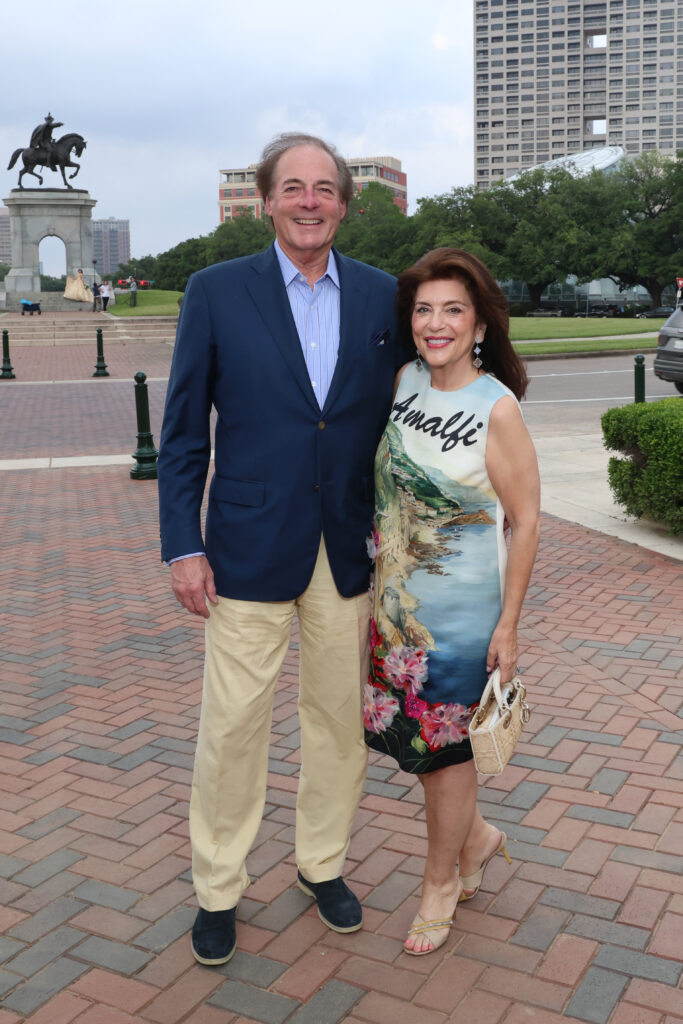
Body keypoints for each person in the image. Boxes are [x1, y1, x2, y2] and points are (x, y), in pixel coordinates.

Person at [157, 132, 401, 967]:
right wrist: (181, 545)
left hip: (346, 549)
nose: (308, 202)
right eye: (291, 187)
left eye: (323, 188)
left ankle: (320, 864)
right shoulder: (216, 292)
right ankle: (218, 889)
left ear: (342, 203)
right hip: (247, 549)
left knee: (337, 723)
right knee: (232, 728)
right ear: (265, 200)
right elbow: (185, 431)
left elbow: (406, 413)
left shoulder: (382, 298)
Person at [364, 247, 540, 956]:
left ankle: (440, 882)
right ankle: (478, 836)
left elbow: (525, 520)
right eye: (423, 310)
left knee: (446, 757)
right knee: (417, 748)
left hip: (465, 623)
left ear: (479, 326)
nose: (435, 323)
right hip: (397, 607)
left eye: (452, 311)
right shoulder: (404, 381)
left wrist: (509, 626)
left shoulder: (494, 407)